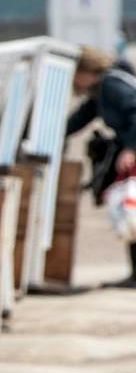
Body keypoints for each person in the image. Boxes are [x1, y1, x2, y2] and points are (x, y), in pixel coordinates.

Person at [67, 46, 136, 285]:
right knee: (130, 212)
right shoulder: (102, 90)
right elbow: (80, 118)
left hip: (131, 151)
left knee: (132, 210)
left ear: (85, 71)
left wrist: (131, 148)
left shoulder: (111, 85)